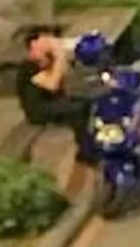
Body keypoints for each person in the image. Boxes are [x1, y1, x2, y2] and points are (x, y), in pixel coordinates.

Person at [15, 27, 94, 159]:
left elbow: (62, 78)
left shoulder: (47, 61)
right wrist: (59, 57)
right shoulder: (29, 67)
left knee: (86, 102)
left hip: (53, 102)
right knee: (77, 110)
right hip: (38, 109)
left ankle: (90, 144)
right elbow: (52, 85)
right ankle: (86, 153)